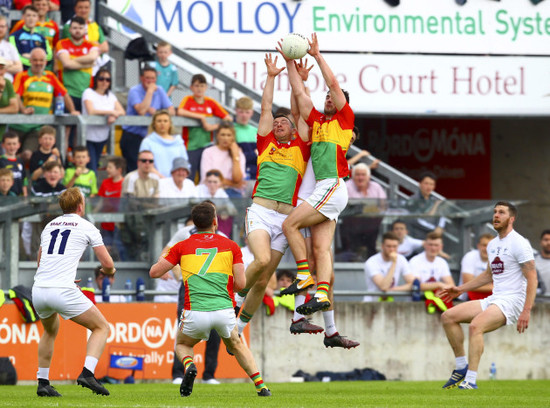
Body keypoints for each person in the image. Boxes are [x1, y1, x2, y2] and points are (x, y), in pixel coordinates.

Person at [149, 201, 271, 397]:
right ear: (215, 221)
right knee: (236, 344)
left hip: (194, 310)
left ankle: (189, 366)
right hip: (224, 310)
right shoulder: (231, 246)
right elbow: (241, 284)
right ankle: (261, 386)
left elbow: (154, 272)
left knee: (183, 344)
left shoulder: (181, 246)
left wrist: (173, 258)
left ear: (193, 224)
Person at [233, 54, 313, 339]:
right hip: (260, 211)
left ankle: (239, 328)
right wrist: (270, 76)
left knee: (264, 278)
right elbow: (265, 105)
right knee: (263, 259)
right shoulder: (266, 141)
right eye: (275, 122)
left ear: (293, 129)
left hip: (285, 218)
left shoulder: (301, 147)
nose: (278, 123)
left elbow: (304, 111)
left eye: (283, 122)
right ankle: (235, 298)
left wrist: (299, 82)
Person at [277, 33, 355, 317]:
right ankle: (321, 292)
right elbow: (299, 96)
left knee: (289, 226)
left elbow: (333, 84)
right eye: (326, 97)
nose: (329, 99)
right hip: (329, 190)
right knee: (321, 249)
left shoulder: (344, 120)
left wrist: (317, 56)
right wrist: (289, 65)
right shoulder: (318, 121)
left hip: (332, 186)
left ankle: (303, 276)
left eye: (333, 98)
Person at [439, 201, 537, 390]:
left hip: (513, 300)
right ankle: (461, 367)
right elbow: (488, 275)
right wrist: (461, 289)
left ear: (512, 218)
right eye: (494, 212)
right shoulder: (492, 244)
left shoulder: (519, 243)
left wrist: (526, 310)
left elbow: (532, 278)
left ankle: (471, 380)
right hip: (495, 298)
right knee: (448, 316)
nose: (496, 215)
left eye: (501, 212)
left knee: (476, 326)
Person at [32, 187, 115, 397]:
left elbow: (41, 261)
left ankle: (43, 382)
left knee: (50, 331)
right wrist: (110, 271)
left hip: (40, 289)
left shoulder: (49, 226)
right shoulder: (86, 226)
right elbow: (107, 263)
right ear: (80, 205)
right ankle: (88, 373)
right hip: (62, 290)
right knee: (102, 327)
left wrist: (63, 274)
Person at [160, 213, 226, 385]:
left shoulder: (223, 237)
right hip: (189, 285)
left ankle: (209, 375)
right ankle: (178, 374)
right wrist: (179, 276)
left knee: (214, 331)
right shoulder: (184, 233)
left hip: (212, 287)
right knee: (184, 326)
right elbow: (166, 252)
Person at [12, 47, 77, 161]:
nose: (38, 63)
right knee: (8, 154)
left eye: (41, 60)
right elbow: (15, 96)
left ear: (46, 62)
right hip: (18, 125)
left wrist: (72, 110)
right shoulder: (21, 76)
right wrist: (23, 110)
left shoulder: (51, 76)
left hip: (37, 127)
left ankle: (18, 166)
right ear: (30, 61)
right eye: (35, 60)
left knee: (28, 155)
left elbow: (64, 94)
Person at [177, 73, 232, 182]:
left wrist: (213, 127)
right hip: (190, 147)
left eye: (202, 86)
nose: (199, 89)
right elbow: (180, 111)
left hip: (207, 146)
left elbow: (228, 118)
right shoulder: (188, 99)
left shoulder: (210, 102)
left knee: (206, 176)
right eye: (196, 86)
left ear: (206, 87)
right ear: (191, 87)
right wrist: (201, 117)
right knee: (189, 177)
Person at [120, 66, 174, 173]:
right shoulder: (134, 91)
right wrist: (149, 92)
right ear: (141, 78)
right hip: (132, 136)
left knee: (152, 169)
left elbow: (172, 111)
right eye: (147, 78)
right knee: (135, 170)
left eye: (153, 78)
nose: (150, 81)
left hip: (151, 137)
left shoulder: (160, 90)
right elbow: (142, 111)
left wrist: (157, 113)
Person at [81, 68, 125, 172]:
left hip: (102, 137)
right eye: (101, 79)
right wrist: (110, 112)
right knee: (91, 169)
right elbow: (91, 111)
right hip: (88, 137)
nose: (104, 82)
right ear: (96, 80)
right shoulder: (88, 92)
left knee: (94, 166)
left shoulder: (111, 96)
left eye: (107, 79)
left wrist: (114, 116)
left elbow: (122, 111)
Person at [54, 15, 98, 114]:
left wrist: (72, 60)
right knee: (67, 127)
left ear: (85, 30)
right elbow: (66, 64)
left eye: (80, 28)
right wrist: (86, 65)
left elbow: (92, 58)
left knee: (83, 126)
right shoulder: (62, 43)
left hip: (86, 92)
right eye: (74, 28)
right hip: (67, 91)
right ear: (69, 30)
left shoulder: (91, 45)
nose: (77, 30)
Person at [364, 232, 415, 302]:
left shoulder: (401, 259)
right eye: (389, 246)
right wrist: (394, 263)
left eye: (395, 246)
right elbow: (384, 287)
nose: (392, 249)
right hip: (372, 302)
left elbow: (413, 283)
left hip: (389, 302)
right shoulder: (372, 262)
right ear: (382, 246)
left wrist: (393, 289)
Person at [61, 0, 109, 74]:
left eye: (86, 7)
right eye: (80, 7)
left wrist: (90, 46)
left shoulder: (94, 25)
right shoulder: (69, 26)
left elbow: (105, 47)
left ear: (90, 9)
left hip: (95, 69)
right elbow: (76, 47)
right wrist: (95, 45)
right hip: (76, 70)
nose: (83, 10)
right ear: (75, 9)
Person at [199, 122, 245, 197]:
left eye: (229, 135)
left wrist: (235, 156)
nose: (225, 138)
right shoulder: (208, 152)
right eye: (222, 135)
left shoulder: (239, 154)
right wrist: (233, 184)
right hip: (211, 190)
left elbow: (238, 180)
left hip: (232, 192)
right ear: (217, 136)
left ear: (233, 137)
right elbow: (208, 177)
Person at [139, 109, 188, 178]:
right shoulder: (147, 142)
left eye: (165, 121)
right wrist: (163, 180)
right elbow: (144, 164)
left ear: (170, 123)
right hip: (154, 182)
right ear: (154, 124)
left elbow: (184, 163)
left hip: (175, 183)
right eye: (159, 121)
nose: (162, 123)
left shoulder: (179, 142)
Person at [97, 156, 126, 261]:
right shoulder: (105, 182)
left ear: (119, 170)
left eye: (110, 167)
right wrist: (94, 213)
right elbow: (101, 201)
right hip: (106, 222)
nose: (107, 169)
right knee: (106, 249)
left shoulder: (124, 183)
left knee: (120, 248)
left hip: (119, 224)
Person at [9, 5, 53, 70]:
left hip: (39, 73)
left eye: (34, 16)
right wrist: (37, 61)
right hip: (22, 73)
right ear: (23, 17)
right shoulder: (14, 36)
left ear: (38, 18)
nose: (31, 18)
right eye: (28, 15)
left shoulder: (42, 38)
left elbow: (49, 56)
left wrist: (30, 57)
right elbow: (16, 57)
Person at [405, 172, 447, 239]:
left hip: (434, 237)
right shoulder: (413, 199)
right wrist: (434, 229)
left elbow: (442, 215)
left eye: (431, 184)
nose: (429, 187)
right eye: (426, 183)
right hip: (419, 237)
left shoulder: (435, 200)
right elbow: (415, 220)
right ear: (420, 184)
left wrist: (440, 227)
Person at [460, 233, 494, 301]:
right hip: (468, 298)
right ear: (478, 246)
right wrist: (493, 287)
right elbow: (468, 284)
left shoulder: (497, 258)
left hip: (490, 297)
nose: (487, 248)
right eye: (484, 245)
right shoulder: (470, 256)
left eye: (490, 246)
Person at [234, 96, 258, 181]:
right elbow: (235, 156)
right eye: (241, 112)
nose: (244, 115)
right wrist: (254, 154)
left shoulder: (256, 131)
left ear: (252, 113)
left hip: (256, 175)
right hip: (238, 175)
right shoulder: (230, 131)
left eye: (247, 112)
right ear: (236, 111)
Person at [0, 131, 27, 196]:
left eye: (14, 144)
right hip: (6, 197)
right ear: (3, 145)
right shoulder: (1, 161)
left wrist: (25, 194)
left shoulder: (20, 161)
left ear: (19, 145)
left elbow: (24, 180)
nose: (12, 147)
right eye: (9, 144)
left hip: (19, 197)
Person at [0, 15, 23, 82]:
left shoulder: (10, 46)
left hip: (7, 87)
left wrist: (3, 66)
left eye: (2, 26)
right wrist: (9, 63)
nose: (0, 29)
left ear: (6, 28)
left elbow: (19, 68)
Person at [0, 57, 18, 140]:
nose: (0, 72)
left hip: (2, 134)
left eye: (2, 68)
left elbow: (14, 108)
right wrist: (0, 89)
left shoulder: (7, 83)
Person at [534, 229, 550, 300]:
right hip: (538, 303)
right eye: (546, 240)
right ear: (541, 242)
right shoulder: (533, 260)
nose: (548, 242)